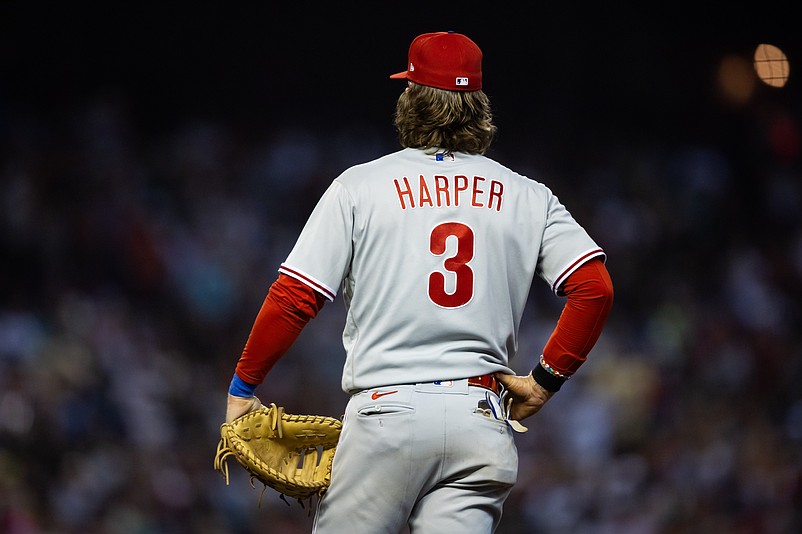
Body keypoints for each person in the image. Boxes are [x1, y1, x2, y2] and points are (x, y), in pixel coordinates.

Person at [223, 30, 614, 533]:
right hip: (481, 422)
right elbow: (595, 288)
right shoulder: (528, 195)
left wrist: (242, 388)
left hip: (387, 416)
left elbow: (295, 298)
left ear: (411, 97)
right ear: (477, 104)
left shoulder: (360, 185)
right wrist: (544, 381)